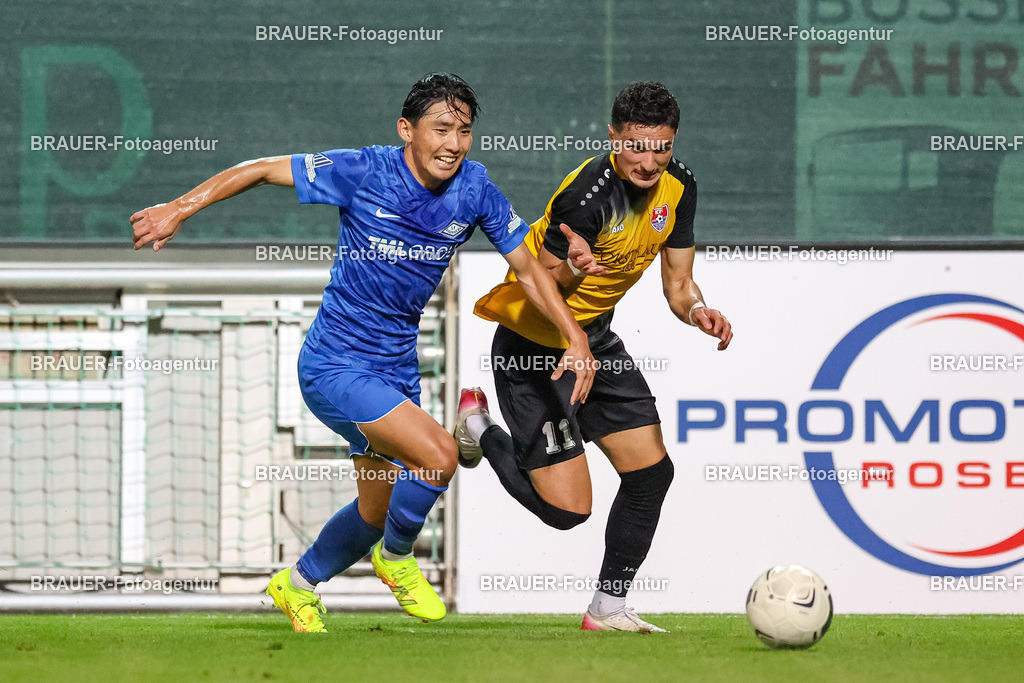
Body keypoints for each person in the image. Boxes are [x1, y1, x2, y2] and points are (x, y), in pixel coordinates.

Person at [130, 73, 595, 632]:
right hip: (335, 365)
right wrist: (181, 207)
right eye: (441, 128)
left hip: (396, 369)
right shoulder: (364, 170)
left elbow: (526, 269)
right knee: (441, 455)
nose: (453, 143)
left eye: (464, 131)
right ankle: (398, 561)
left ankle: (297, 584)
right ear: (407, 130)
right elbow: (257, 170)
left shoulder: (475, 190)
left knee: (375, 512)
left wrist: (575, 335)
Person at [456, 82, 733, 633]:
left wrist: (698, 309)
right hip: (536, 348)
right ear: (613, 137)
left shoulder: (680, 188)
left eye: (662, 147)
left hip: (595, 341)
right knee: (567, 512)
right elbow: (539, 282)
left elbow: (679, 284)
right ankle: (477, 426)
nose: (650, 161)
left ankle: (608, 607)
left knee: (651, 474)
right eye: (636, 145)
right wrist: (573, 269)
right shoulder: (585, 197)